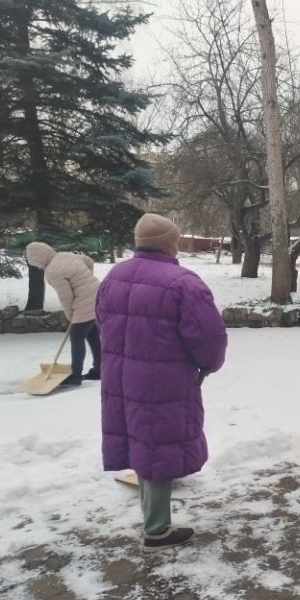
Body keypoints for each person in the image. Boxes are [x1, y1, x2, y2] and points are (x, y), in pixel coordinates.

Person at [96, 213, 227, 551]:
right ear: (170, 242)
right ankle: (156, 529)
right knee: (156, 443)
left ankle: (154, 511)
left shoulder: (114, 276)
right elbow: (208, 337)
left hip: (121, 374)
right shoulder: (182, 282)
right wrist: (209, 365)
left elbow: (102, 321)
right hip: (163, 379)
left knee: (142, 438)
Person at [25, 242, 101, 386]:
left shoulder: (52, 271)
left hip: (84, 301)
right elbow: (88, 261)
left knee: (76, 335)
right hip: (99, 294)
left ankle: (75, 376)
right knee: (92, 334)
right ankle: (100, 370)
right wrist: (87, 280)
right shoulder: (65, 255)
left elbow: (66, 297)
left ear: (39, 259)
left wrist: (70, 315)